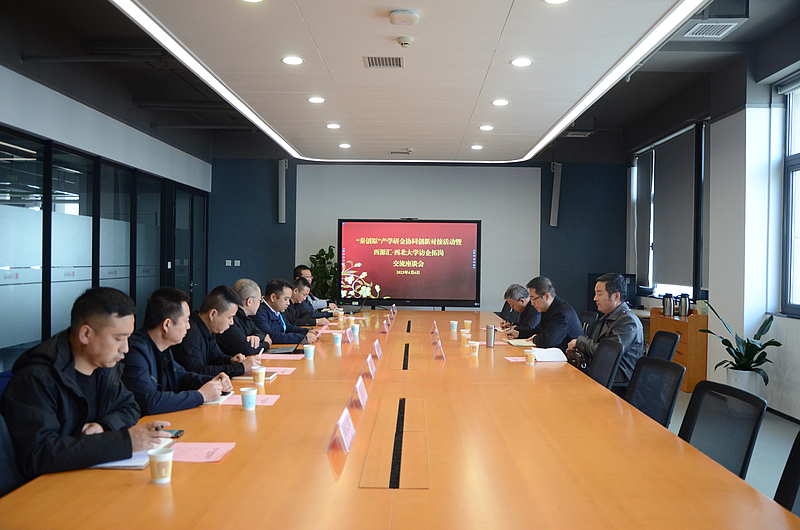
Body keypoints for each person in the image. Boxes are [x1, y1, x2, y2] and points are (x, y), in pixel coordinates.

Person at [0, 287, 171, 480]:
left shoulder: (104, 368)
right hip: (47, 488)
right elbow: (39, 454)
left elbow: (129, 406)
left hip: (87, 477)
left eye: (128, 338)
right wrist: (123, 442)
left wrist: (104, 426)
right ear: (85, 335)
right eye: (118, 338)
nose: (125, 348)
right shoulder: (36, 378)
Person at [122, 287, 233, 416]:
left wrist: (213, 382)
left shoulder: (164, 348)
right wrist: (201, 395)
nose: (188, 326)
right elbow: (150, 402)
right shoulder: (134, 352)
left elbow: (181, 377)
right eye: (186, 321)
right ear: (167, 325)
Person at [567, 272, 644, 384]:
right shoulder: (605, 318)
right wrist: (580, 350)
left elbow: (607, 353)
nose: (595, 298)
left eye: (599, 294)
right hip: (601, 371)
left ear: (616, 296)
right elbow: (595, 346)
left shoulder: (628, 322)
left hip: (616, 379)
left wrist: (580, 343)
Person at [172, 286, 261, 377]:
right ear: (213, 314)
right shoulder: (190, 333)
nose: (231, 322)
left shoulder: (208, 329)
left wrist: (231, 360)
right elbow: (198, 371)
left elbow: (216, 357)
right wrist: (240, 368)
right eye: (229, 317)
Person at [521, 277, 583, 352]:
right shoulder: (549, 309)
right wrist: (519, 333)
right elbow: (538, 330)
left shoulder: (562, 312)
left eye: (533, 299)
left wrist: (535, 339)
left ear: (547, 296)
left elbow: (548, 341)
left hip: (566, 356)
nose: (532, 303)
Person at [252, 280, 319, 345]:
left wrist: (307, 331)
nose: (288, 303)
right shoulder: (259, 313)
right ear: (273, 297)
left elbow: (288, 327)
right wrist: (302, 338)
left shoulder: (277, 309)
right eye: (286, 299)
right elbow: (270, 336)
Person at [217, 279, 273, 357]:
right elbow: (247, 349)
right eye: (259, 300)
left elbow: (263, 334)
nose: (260, 303)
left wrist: (256, 337)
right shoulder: (229, 320)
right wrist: (266, 344)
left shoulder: (246, 318)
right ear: (249, 301)